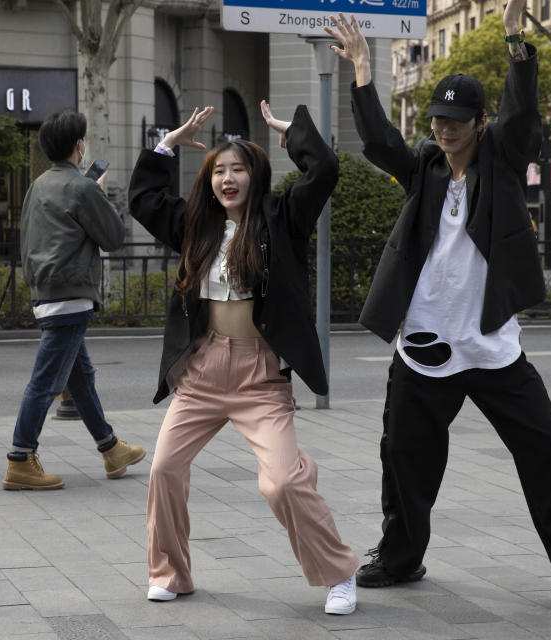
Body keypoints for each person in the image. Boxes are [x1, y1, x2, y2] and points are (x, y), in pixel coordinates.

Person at [326, 5, 551, 603]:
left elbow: (524, 115)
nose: (445, 129)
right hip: (424, 344)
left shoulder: (502, 159)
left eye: (457, 120)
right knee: (403, 457)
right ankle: (400, 558)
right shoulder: (424, 166)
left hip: (492, 345)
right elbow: (378, 141)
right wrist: (364, 72)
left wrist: (516, 43)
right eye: (438, 119)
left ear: (479, 123)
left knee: (547, 449)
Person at [128, 100, 359, 615]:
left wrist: (291, 132)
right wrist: (167, 143)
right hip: (202, 372)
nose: (227, 179)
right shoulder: (195, 223)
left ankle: (339, 573)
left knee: (279, 484)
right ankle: (171, 573)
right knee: (164, 469)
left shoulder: (283, 217)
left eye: (237, 169)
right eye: (219, 171)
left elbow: (324, 170)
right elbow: (142, 199)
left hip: (260, 375)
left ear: (255, 175)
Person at [2, 109, 146, 491]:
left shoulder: (38, 185)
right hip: (70, 295)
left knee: (80, 378)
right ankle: (20, 458)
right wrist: (96, 191)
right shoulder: (82, 188)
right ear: (79, 146)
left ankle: (111, 448)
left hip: (46, 291)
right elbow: (114, 237)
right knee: (46, 382)